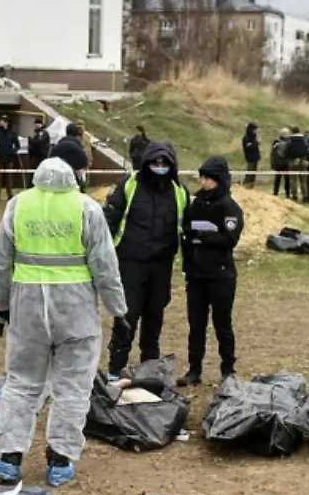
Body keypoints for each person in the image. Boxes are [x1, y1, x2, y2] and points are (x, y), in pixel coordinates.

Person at [0, 157, 126, 488]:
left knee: (21, 383)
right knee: (73, 387)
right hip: (76, 312)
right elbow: (105, 264)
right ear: (76, 175)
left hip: (28, 310)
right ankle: (60, 459)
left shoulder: (18, 206)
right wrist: (118, 310)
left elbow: (1, 263)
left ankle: (10, 456)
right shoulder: (86, 208)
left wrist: (2, 307)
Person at [102, 140, 186, 377]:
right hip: (130, 262)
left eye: (164, 162)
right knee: (126, 317)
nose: (159, 166)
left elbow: (186, 226)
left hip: (161, 265)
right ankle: (115, 370)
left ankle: (149, 369)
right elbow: (108, 220)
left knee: (154, 317)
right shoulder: (128, 186)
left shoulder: (179, 192)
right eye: (155, 162)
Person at [180, 156, 245, 386]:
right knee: (196, 326)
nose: (205, 182)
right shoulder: (195, 204)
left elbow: (229, 239)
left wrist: (202, 236)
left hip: (221, 276)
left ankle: (228, 369)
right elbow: (185, 232)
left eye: (209, 179)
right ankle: (194, 369)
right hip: (197, 276)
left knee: (222, 324)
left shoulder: (230, 207)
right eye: (203, 178)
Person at [0, 115, 23, 201]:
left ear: (7, 122)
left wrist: (13, 152)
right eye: (0, 120)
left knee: (9, 177)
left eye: (3, 121)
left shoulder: (13, 133)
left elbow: (18, 145)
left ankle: (10, 195)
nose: (1, 122)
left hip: (9, 159)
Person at [283, 127, 309, 202]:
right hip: (303, 161)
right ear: (299, 131)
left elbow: (285, 151)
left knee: (293, 180)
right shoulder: (304, 140)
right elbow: (308, 150)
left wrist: (288, 157)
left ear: (292, 132)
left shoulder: (289, 140)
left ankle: (294, 196)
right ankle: (305, 196)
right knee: (303, 180)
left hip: (292, 162)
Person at [27, 120, 52, 188]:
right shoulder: (36, 135)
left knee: (40, 174)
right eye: (35, 125)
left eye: (38, 125)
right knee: (32, 173)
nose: (36, 126)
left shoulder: (44, 133)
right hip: (35, 157)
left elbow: (40, 142)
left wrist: (32, 140)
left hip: (42, 157)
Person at [241, 122, 261, 188]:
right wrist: (256, 143)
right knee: (249, 173)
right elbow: (248, 147)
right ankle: (245, 185)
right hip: (250, 158)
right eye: (255, 130)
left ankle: (251, 186)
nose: (256, 131)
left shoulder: (254, 137)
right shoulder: (246, 138)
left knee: (253, 173)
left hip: (256, 157)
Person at [269, 129, 288, 197]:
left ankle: (276, 193)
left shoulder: (276, 141)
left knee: (279, 179)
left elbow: (272, 153)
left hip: (279, 163)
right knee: (285, 179)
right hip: (284, 163)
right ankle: (286, 194)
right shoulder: (289, 141)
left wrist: (272, 163)